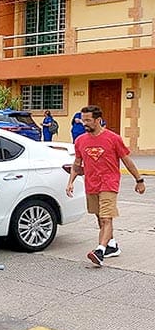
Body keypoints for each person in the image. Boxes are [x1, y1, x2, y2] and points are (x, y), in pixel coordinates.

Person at [66, 105, 146, 267]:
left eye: (88, 120)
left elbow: (127, 160)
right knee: (99, 216)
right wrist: (70, 182)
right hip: (91, 183)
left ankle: (100, 251)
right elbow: (77, 163)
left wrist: (139, 180)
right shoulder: (80, 140)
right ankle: (112, 245)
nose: (84, 123)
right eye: (83, 120)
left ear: (98, 120)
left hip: (109, 183)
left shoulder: (113, 138)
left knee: (106, 217)